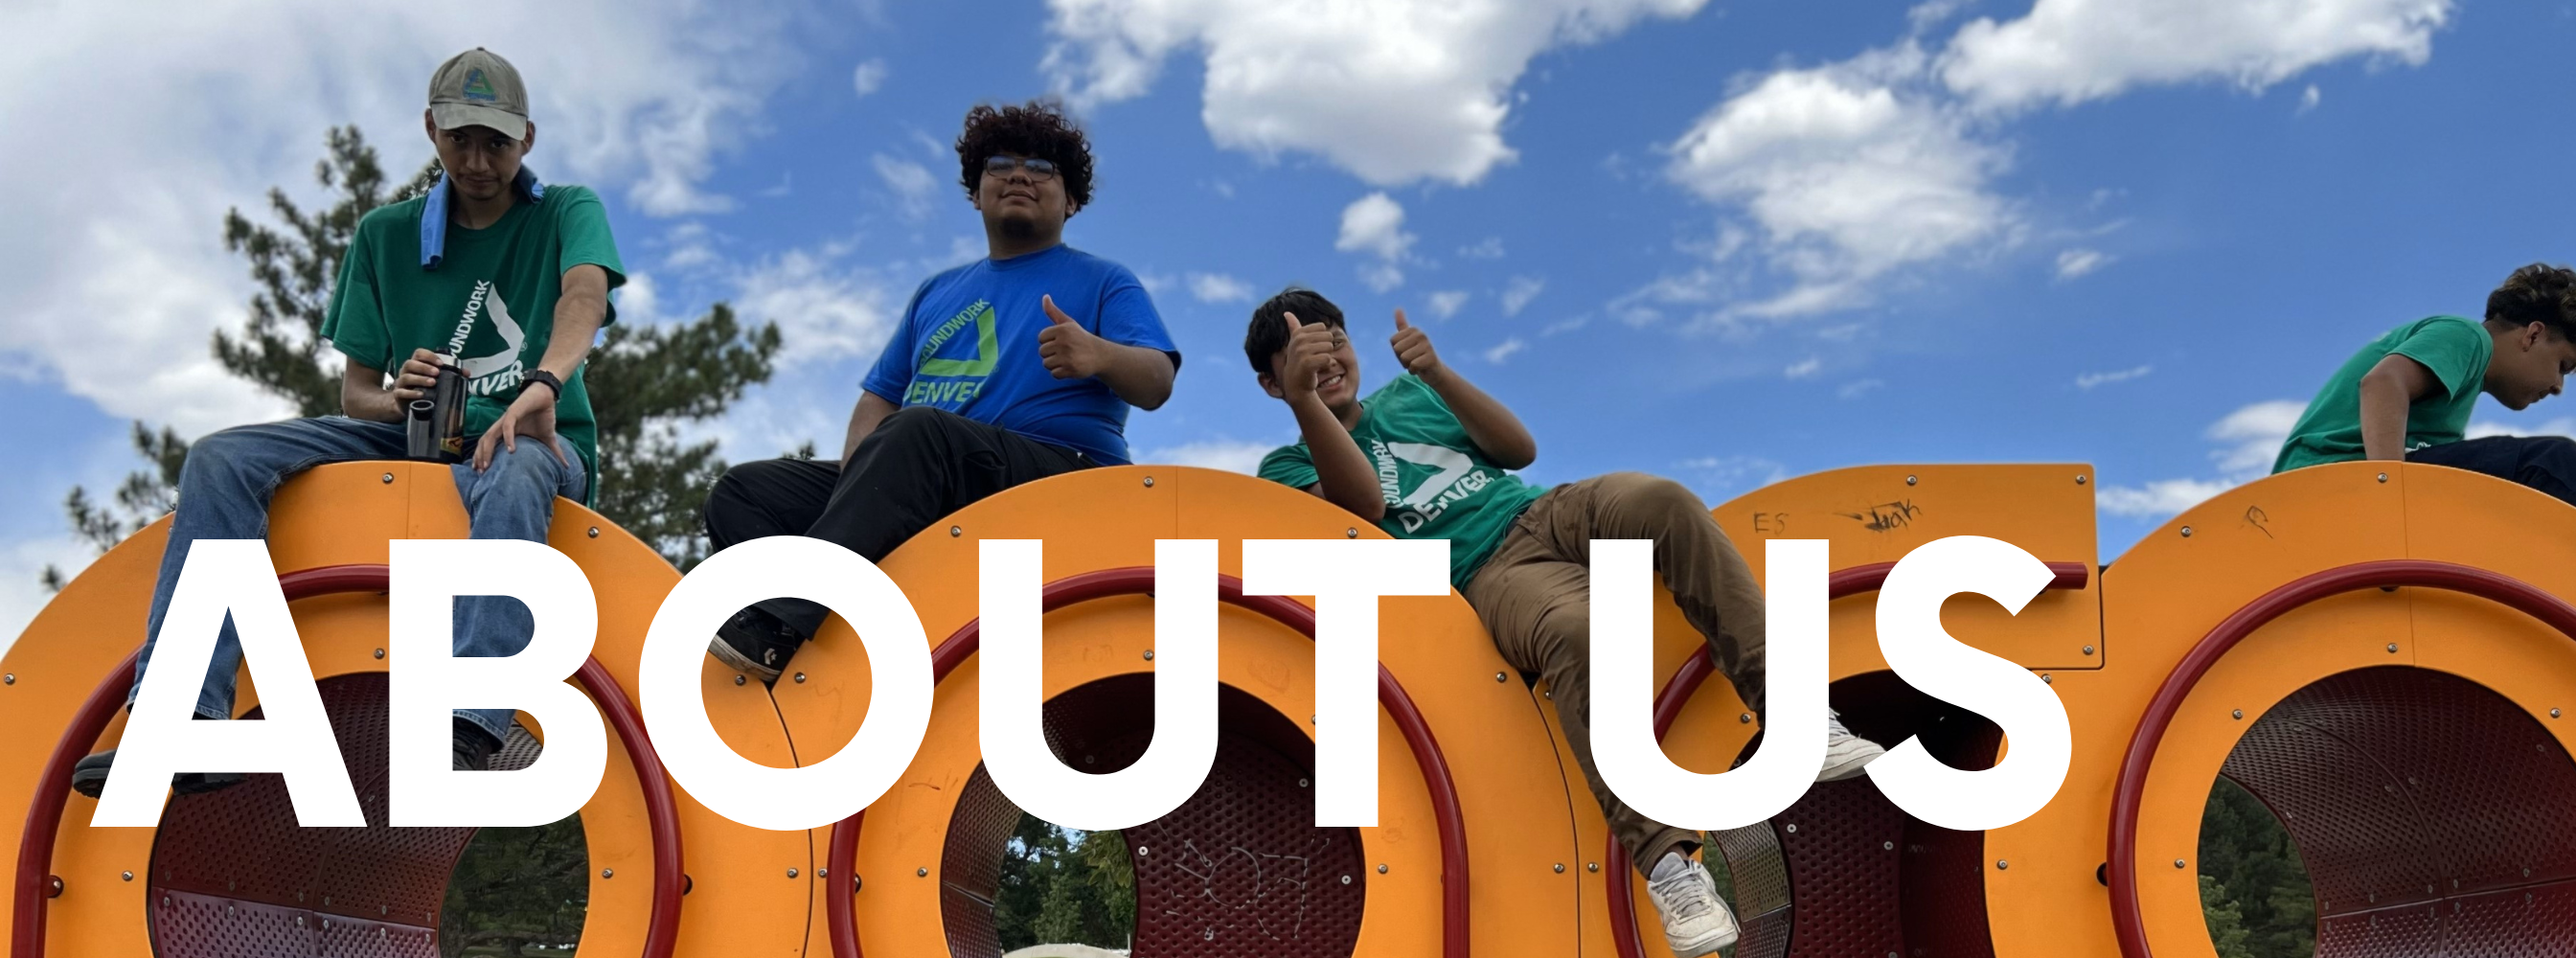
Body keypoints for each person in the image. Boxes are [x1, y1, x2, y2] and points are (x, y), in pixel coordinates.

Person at [1241, 287, 1883, 957]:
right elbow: (1364, 506)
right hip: (1482, 573)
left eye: (1335, 341)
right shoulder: (1285, 467)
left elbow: (1517, 450)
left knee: (1661, 499)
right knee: (1579, 632)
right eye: (1304, 354)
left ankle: (1798, 718)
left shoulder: (1411, 397)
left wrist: (1435, 373)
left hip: (1545, 513)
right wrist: (1309, 400)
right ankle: (1671, 870)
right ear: (1270, 381)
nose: (1329, 358)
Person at [71, 48, 621, 798]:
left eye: (496, 141)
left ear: (527, 139)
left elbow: (584, 296)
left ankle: (473, 720)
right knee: (220, 459)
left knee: (514, 461)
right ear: (432, 131)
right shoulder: (386, 234)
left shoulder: (565, 209)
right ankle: (182, 719)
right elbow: (356, 395)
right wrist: (397, 400)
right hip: (417, 436)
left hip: (537, 435)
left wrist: (545, 380)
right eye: (461, 138)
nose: (479, 158)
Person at [700, 101, 1178, 683]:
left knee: (918, 432)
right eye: (1000, 164)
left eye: (1042, 167)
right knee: (746, 491)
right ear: (976, 193)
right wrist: (858, 479)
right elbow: (878, 397)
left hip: (1056, 479)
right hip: (925, 474)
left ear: (1071, 200)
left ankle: (785, 621)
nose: (1020, 175)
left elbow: (1157, 381)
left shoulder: (1104, 279)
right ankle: (817, 653)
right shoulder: (938, 291)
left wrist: (1099, 355)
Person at [2271, 262, 2576, 539]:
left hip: (2322, 492)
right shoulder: (2467, 336)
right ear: (2533, 335)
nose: (2557, 387)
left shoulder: (2452, 404)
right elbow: (2383, 382)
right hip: (2330, 482)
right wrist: (2388, 493)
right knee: (2556, 464)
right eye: (2563, 367)